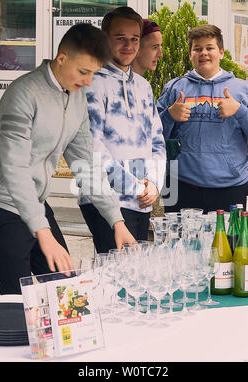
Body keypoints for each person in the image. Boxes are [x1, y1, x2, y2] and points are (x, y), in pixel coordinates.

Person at [0, 24, 135, 295]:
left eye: (93, 74)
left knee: (66, 290)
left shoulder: (76, 97)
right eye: (83, 72)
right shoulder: (22, 94)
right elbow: (15, 168)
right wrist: (42, 232)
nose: (87, 82)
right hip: (2, 206)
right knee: (18, 299)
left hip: (35, 202)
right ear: (62, 58)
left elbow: (86, 163)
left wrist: (116, 221)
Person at [156, 24, 248, 213]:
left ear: (221, 52)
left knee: (232, 243)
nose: (204, 53)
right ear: (190, 53)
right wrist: (169, 116)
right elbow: (150, 137)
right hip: (181, 187)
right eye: (197, 49)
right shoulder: (174, 88)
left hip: (231, 188)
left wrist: (240, 111)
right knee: (180, 243)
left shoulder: (242, 89)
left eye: (209, 48)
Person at [79, 7, 166, 253]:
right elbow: (92, 146)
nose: (128, 45)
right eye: (120, 38)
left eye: (134, 39)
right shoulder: (91, 82)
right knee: (115, 275)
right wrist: (136, 187)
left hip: (142, 199)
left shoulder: (144, 86)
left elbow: (157, 141)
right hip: (105, 198)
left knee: (134, 274)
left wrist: (155, 183)